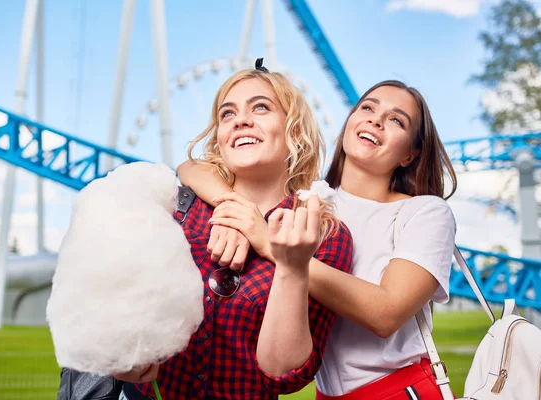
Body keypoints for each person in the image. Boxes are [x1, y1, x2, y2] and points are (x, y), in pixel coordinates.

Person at [61, 60, 353, 400]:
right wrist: (126, 355)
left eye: (261, 107)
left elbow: (281, 375)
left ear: (294, 130)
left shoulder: (324, 234)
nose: (241, 119)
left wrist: (290, 266)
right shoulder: (175, 207)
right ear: (220, 135)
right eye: (228, 114)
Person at [178, 79, 458, 399]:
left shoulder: (425, 212)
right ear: (349, 123)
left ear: (410, 154)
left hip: (398, 388)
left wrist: (269, 244)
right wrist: (231, 205)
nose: (376, 120)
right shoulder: (314, 202)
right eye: (367, 107)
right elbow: (190, 167)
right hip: (326, 393)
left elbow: (387, 313)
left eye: (396, 120)